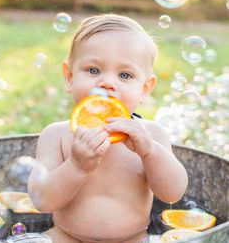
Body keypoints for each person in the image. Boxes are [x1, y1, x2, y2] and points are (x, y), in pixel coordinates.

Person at [28, 14, 188, 243]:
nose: (107, 83)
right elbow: (41, 201)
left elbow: (173, 193)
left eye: (125, 75)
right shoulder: (57, 136)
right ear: (70, 77)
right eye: (93, 70)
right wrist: (76, 166)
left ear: (144, 88)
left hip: (133, 240)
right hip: (64, 237)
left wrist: (150, 152)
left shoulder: (151, 136)